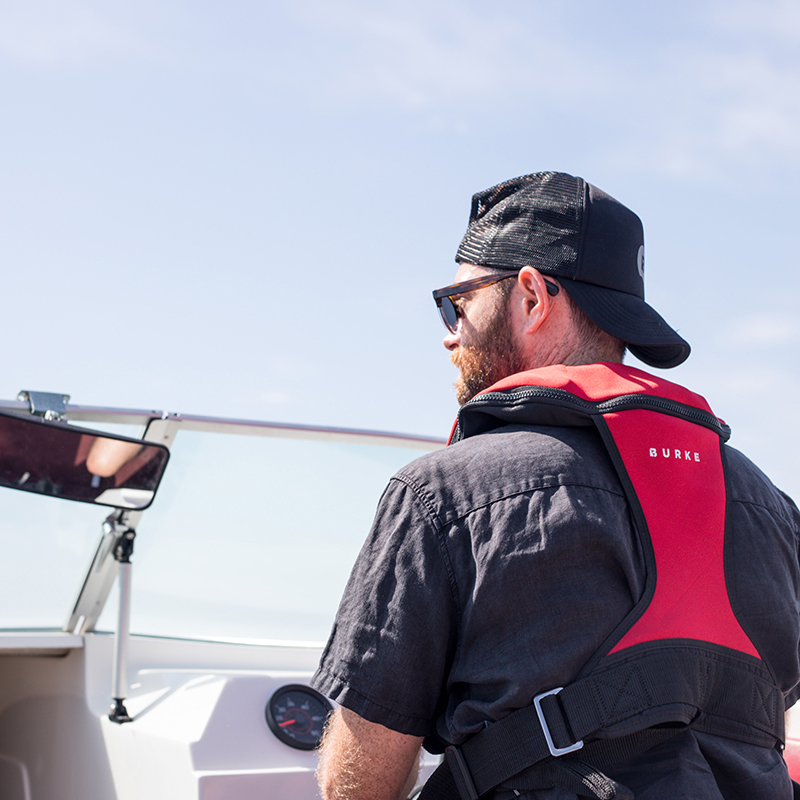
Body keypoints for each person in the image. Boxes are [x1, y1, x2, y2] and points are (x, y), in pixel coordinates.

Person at [310, 172, 800, 799]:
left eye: (456, 302)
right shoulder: (770, 506)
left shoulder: (443, 495)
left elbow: (365, 776)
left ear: (532, 296)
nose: (448, 331)